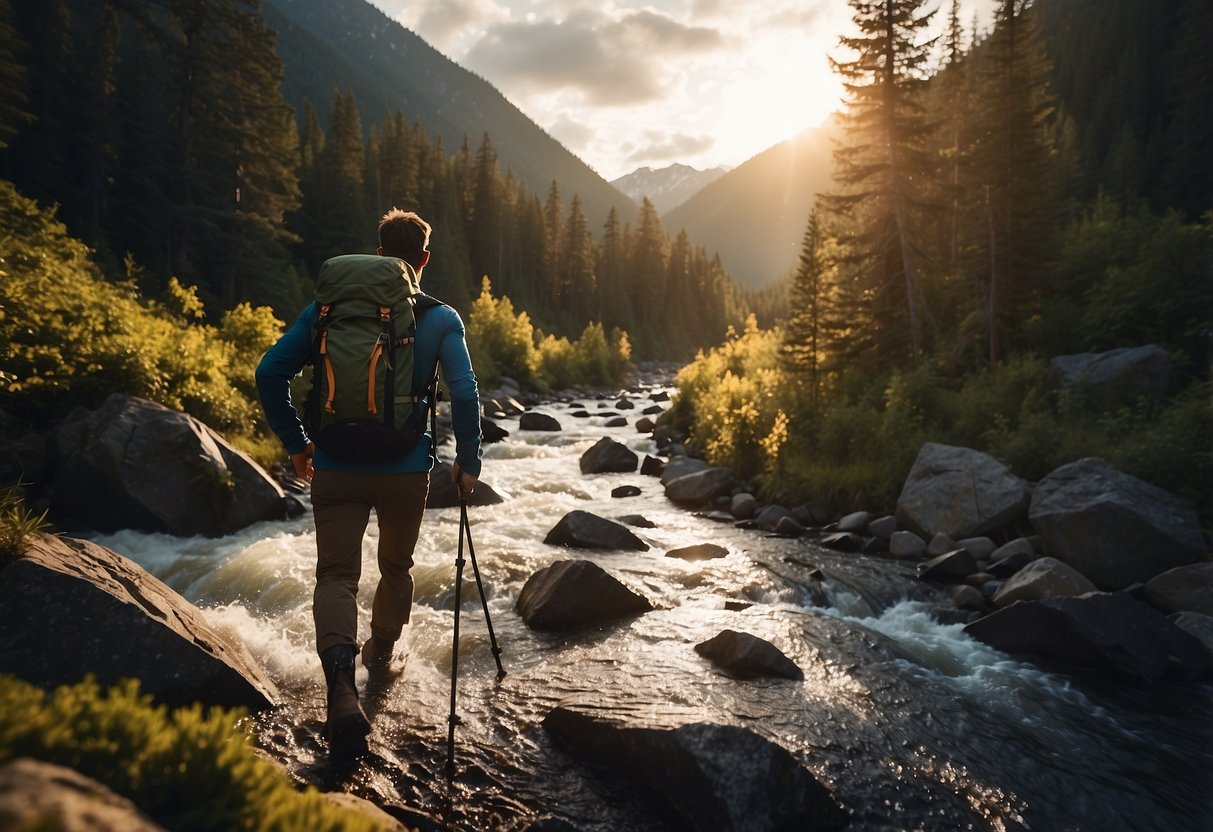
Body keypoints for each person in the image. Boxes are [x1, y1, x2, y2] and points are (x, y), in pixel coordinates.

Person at [256, 208, 482, 754]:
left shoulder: (326, 310)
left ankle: (340, 688)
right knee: (395, 569)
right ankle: (380, 657)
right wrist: (468, 463)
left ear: (380, 252)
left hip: (334, 464)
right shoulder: (440, 318)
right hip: (406, 471)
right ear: (422, 259)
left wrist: (295, 443)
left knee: (335, 577)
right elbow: (467, 394)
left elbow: (270, 373)